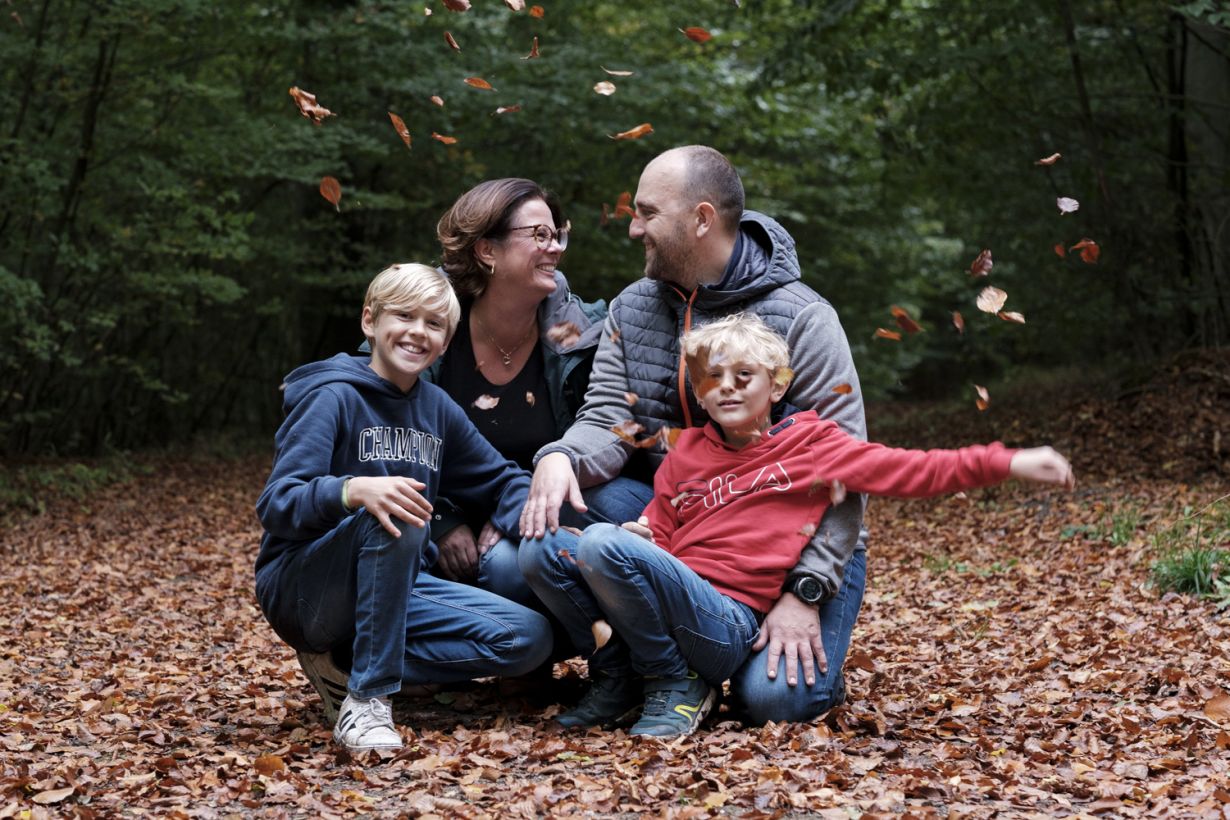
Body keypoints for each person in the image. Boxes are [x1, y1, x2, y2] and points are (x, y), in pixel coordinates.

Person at [521, 313, 1076, 736]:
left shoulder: (813, 446)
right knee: (545, 548)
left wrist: (1009, 461)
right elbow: (663, 527)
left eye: (745, 375)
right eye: (713, 378)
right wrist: (644, 538)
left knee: (601, 540)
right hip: (675, 595)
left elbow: (912, 469)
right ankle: (620, 674)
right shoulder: (686, 451)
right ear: (698, 392)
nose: (728, 387)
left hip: (729, 619)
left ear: (778, 386)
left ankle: (677, 682)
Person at [519, 144, 868, 724]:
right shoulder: (634, 308)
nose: (634, 228)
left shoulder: (804, 317)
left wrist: (804, 593)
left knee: (775, 702)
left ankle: (720, 645)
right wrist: (559, 458)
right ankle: (639, 667)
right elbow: (610, 417)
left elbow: (846, 469)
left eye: (647, 212)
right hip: (680, 508)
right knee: (565, 516)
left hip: (793, 533)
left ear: (701, 219)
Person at [255, 263, 552, 753]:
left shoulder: (435, 408)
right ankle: (368, 701)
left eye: (434, 324)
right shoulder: (331, 397)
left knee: (528, 639)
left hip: (397, 588)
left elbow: (502, 480)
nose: (418, 332)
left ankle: (348, 662)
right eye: (405, 317)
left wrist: (539, 522)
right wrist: (352, 491)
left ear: (447, 338)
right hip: (306, 588)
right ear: (370, 320)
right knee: (396, 514)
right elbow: (278, 503)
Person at [424, 178, 611, 607]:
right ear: (486, 250)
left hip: (532, 508)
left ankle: (534, 661)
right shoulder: (425, 324)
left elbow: (603, 430)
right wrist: (441, 520)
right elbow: (375, 422)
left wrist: (512, 511)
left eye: (558, 234)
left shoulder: (584, 333)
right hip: (427, 511)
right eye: (539, 235)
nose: (557, 248)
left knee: (510, 567)